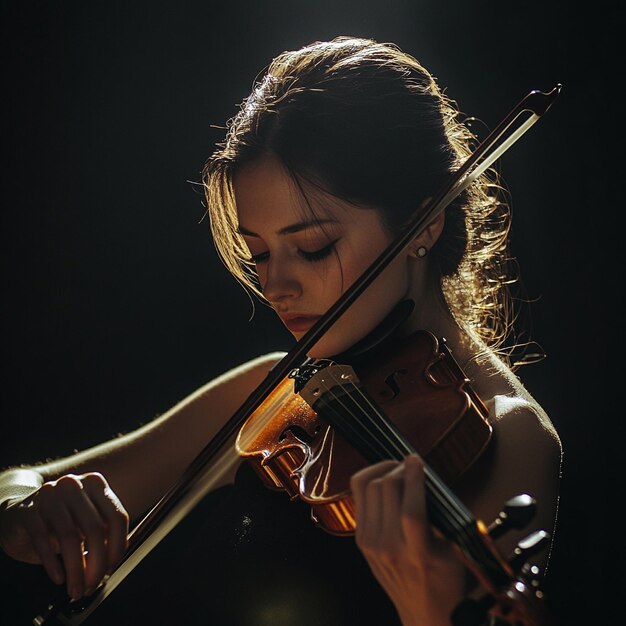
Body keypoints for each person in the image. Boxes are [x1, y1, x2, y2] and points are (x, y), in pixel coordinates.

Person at [0, 36, 562, 626]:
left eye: (313, 247)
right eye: (259, 254)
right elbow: (16, 482)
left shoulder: (508, 433)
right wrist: (27, 508)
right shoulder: (281, 400)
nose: (277, 288)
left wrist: (428, 607)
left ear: (422, 224)